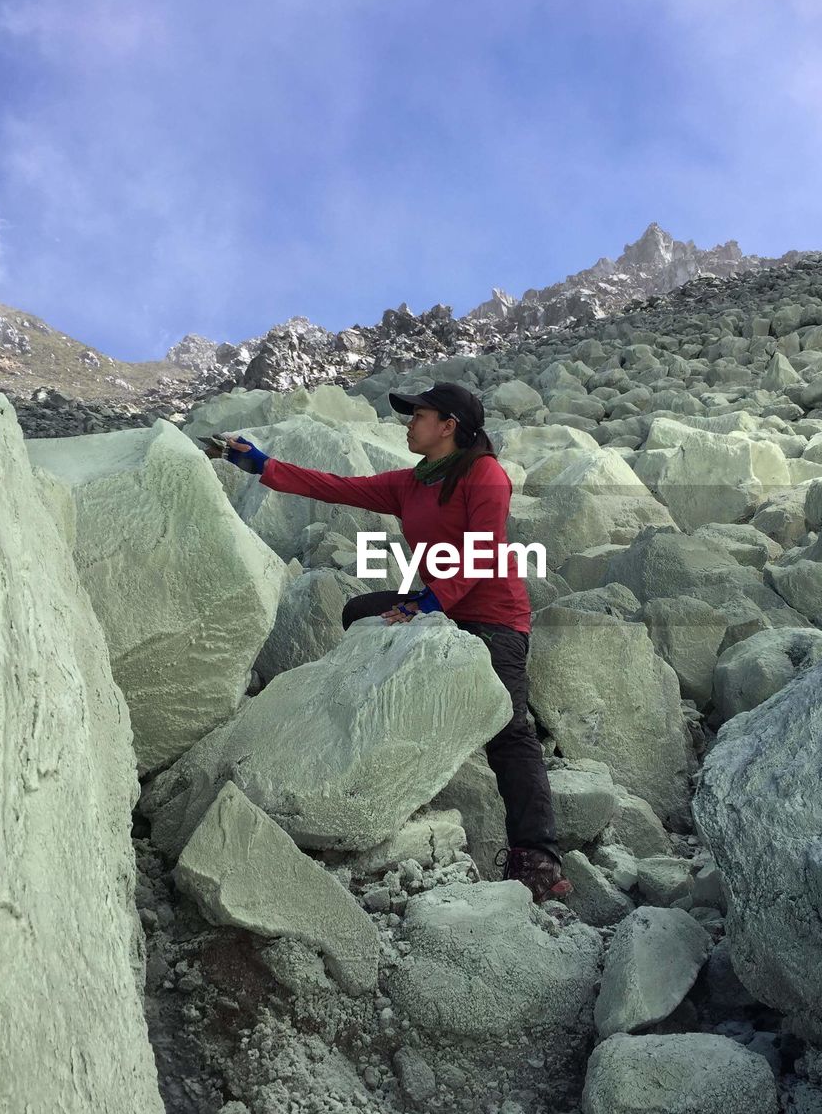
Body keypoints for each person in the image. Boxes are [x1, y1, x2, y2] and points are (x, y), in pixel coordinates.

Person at [211, 381, 571, 905]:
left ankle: (537, 859)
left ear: (448, 426)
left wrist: (426, 605)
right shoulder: (411, 483)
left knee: (510, 734)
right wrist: (261, 465)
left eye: (418, 415)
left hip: (494, 619)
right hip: (441, 605)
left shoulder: (484, 475)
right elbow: (334, 487)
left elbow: (484, 551)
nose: (407, 423)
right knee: (361, 611)